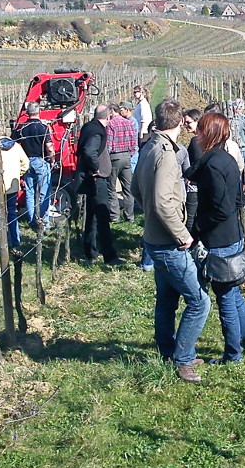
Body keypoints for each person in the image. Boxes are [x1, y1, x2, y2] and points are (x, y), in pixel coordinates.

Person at [131, 98, 210, 381]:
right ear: (179, 124)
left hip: (154, 237)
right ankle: (183, 358)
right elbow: (165, 202)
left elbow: (135, 188)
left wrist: (150, 211)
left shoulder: (149, 147)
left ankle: (167, 351)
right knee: (199, 302)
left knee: (166, 300)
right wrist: (182, 234)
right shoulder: (166, 154)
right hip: (169, 242)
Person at [187, 112, 245, 365]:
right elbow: (238, 200)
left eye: (200, 130)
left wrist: (197, 230)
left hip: (220, 240)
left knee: (225, 299)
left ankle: (233, 355)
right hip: (233, 234)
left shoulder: (214, 165)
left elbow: (220, 208)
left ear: (209, 134)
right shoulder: (227, 160)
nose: (196, 135)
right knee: (234, 294)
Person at [76, 104, 121, 265]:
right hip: (96, 179)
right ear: (108, 117)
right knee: (102, 216)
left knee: (92, 217)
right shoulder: (97, 131)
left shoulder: (89, 126)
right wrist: (96, 168)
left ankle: (90, 252)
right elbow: (89, 151)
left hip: (89, 178)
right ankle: (110, 256)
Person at [13, 101, 55, 228]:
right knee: (43, 193)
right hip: (40, 161)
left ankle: (32, 221)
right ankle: (44, 222)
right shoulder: (43, 128)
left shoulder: (21, 128)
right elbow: (49, 146)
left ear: (27, 112)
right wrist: (52, 158)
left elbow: (13, 143)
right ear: (38, 111)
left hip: (26, 162)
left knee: (30, 192)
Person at [106, 101, 138, 223]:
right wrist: (130, 154)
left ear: (112, 111)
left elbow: (109, 144)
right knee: (128, 189)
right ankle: (130, 216)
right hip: (127, 157)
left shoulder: (111, 124)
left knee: (111, 188)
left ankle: (114, 216)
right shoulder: (129, 122)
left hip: (114, 157)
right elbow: (134, 142)